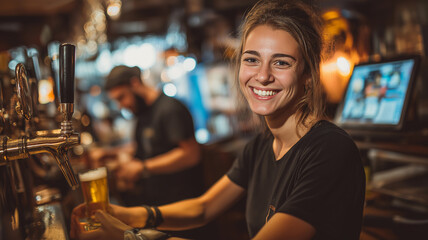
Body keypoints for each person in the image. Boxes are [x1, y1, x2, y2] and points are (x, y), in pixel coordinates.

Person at [71, 0, 366, 239]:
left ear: (308, 77)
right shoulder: (262, 146)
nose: (262, 75)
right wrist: (128, 215)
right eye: (251, 59)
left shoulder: (329, 150)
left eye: (281, 62)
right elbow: (203, 208)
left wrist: (129, 237)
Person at [91, 65, 204, 207]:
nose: (120, 106)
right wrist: (110, 153)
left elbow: (191, 154)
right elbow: (147, 145)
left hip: (181, 204)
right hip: (158, 202)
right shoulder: (144, 112)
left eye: (122, 97)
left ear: (135, 83)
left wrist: (142, 167)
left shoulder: (170, 109)